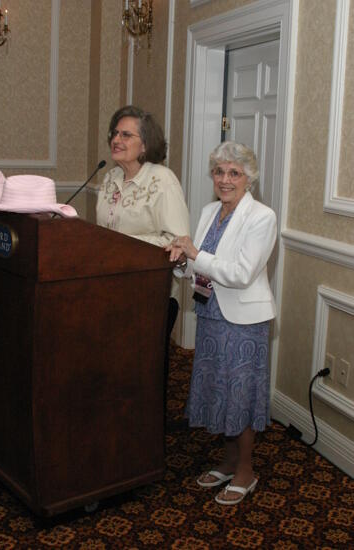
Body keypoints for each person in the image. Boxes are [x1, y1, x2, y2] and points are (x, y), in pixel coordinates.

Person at [166, 141, 277, 505]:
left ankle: (246, 470)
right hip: (212, 316)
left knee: (240, 397)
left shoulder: (262, 217)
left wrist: (196, 253)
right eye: (219, 171)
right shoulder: (209, 211)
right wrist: (182, 262)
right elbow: (201, 268)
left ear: (249, 178)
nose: (225, 179)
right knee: (219, 392)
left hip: (243, 323)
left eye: (234, 172)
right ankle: (228, 462)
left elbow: (242, 274)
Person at [96, 105, 190, 406]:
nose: (116, 139)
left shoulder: (162, 180)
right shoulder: (109, 178)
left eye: (126, 134)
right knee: (114, 368)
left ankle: (144, 437)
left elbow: (178, 242)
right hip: (111, 290)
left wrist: (123, 244)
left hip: (150, 295)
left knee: (143, 373)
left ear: (145, 144)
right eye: (115, 133)